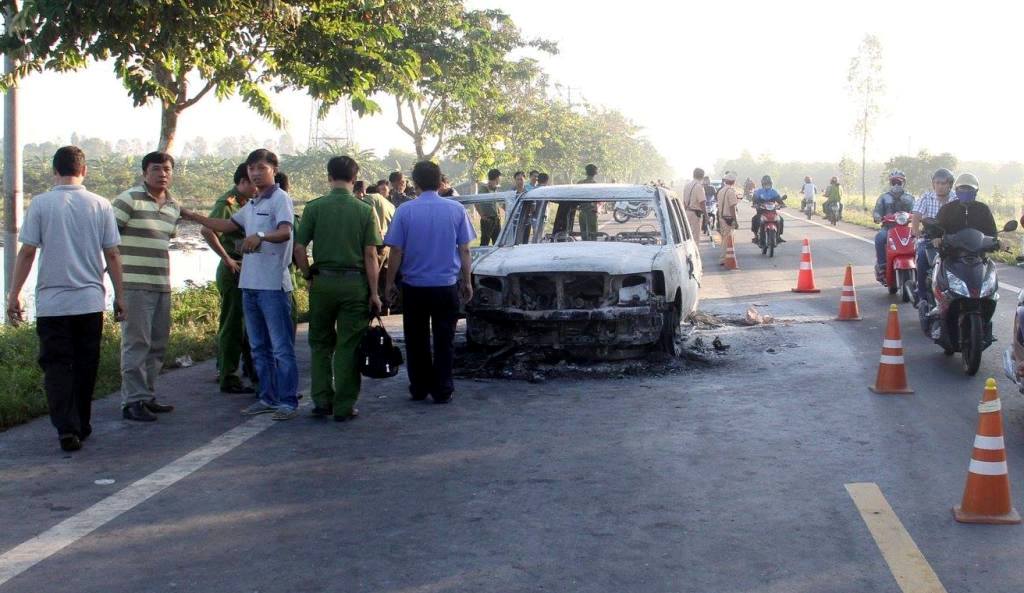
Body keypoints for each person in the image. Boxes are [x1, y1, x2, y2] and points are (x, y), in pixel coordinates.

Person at [5, 146, 125, 451]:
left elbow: (28, 252)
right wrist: (120, 297)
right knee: (86, 364)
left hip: (52, 304)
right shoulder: (100, 205)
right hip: (89, 302)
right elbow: (112, 254)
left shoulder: (41, 204)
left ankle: (66, 429)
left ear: (54, 171)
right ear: (83, 171)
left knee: (57, 366)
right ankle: (81, 423)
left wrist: (14, 294)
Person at [182, 149, 299, 420]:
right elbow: (224, 224)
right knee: (259, 347)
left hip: (272, 286)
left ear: (273, 169)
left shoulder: (280, 199)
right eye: (251, 169)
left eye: (260, 167)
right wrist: (193, 216)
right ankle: (267, 397)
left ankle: (288, 401)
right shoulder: (253, 203)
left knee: (281, 347)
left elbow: (285, 231)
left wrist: (260, 235)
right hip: (250, 285)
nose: (255, 173)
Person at [294, 156, 383, 421]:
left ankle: (321, 401)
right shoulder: (365, 210)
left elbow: (299, 249)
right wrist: (375, 293)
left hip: (322, 284)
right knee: (348, 344)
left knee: (320, 343)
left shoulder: (314, 208)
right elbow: (371, 255)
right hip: (354, 285)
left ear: (329, 177)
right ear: (354, 179)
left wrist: (308, 275)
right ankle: (344, 407)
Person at [384, 161, 475, 404]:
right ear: (440, 181)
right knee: (445, 339)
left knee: (416, 339)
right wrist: (467, 281)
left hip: (414, 287)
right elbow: (465, 250)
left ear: (415, 183)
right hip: (446, 286)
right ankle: (443, 387)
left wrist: (389, 283)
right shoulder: (456, 210)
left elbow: (395, 252)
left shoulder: (405, 211)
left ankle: (420, 386)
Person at [114, 151, 181, 422]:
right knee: (136, 343)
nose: (162, 174)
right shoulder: (128, 199)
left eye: (167, 169)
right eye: (156, 169)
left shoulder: (173, 207)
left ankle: (146, 395)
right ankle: (132, 401)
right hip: (133, 284)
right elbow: (107, 242)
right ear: (145, 173)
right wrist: (115, 288)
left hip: (161, 283)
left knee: (157, 344)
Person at [201, 163, 258, 394]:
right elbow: (207, 230)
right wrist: (227, 259)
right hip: (234, 269)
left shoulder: (250, 202)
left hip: (248, 269)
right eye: (253, 183)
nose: (257, 187)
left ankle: (249, 371)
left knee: (247, 325)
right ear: (243, 182)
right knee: (233, 324)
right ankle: (228, 376)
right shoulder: (228, 203)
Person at [911, 168, 956, 303]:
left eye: (943, 183)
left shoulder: (956, 199)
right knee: (922, 256)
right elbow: (917, 216)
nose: (940, 186)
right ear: (933, 184)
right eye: (937, 183)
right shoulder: (926, 197)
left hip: (951, 239)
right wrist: (916, 230)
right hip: (929, 238)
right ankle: (922, 294)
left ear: (950, 185)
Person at [872, 170, 916, 281]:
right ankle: (882, 266)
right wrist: (877, 216)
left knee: (919, 241)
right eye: (893, 182)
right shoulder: (883, 197)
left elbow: (916, 211)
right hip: (888, 228)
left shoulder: (910, 198)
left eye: (899, 182)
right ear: (890, 183)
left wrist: (917, 217)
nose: (896, 185)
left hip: (907, 229)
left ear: (903, 183)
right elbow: (877, 211)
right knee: (880, 238)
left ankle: (920, 267)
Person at [751, 175, 785, 242]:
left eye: (769, 184)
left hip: (772, 211)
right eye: (766, 184)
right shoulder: (758, 192)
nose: (767, 185)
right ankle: (756, 236)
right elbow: (754, 200)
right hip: (761, 211)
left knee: (781, 219)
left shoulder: (774, 192)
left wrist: (782, 204)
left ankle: (778, 236)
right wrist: (755, 204)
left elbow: (779, 200)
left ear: (771, 184)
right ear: (762, 184)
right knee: (754, 219)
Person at [716, 171, 741, 263]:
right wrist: (736, 221)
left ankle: (725, 258)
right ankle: (724, 259)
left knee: (724, 239)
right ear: (734, 182)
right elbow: (732, 207)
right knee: (727, 239)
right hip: (728, 218)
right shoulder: (731, 191)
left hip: (721, 217)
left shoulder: (721, 191)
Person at [477, 168, 503, 246]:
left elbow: (496, 204)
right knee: (485, 243)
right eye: (499, 177)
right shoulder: (483, 188)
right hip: (487, 220)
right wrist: (481, 215)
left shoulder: (495, 189)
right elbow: (476, 202)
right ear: (497, 177)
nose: (500, 179)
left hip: (496, 219)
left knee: (498, 243)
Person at [682, 168, 706, 241]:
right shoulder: (699, 186)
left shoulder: (687, 185)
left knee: (687, 236)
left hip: (687, 212)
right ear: (702, 176)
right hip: (695, 214)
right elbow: (702, 202)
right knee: (695, 237)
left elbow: (684, 202)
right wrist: (706, 215)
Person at [577, 164, 599, 240]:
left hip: (582, 212)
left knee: (584, 234)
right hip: (591, 212)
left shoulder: (579, 183)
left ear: (586, 172)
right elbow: (596, 199)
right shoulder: (595, 185)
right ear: (595, 173)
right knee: (593, 235)